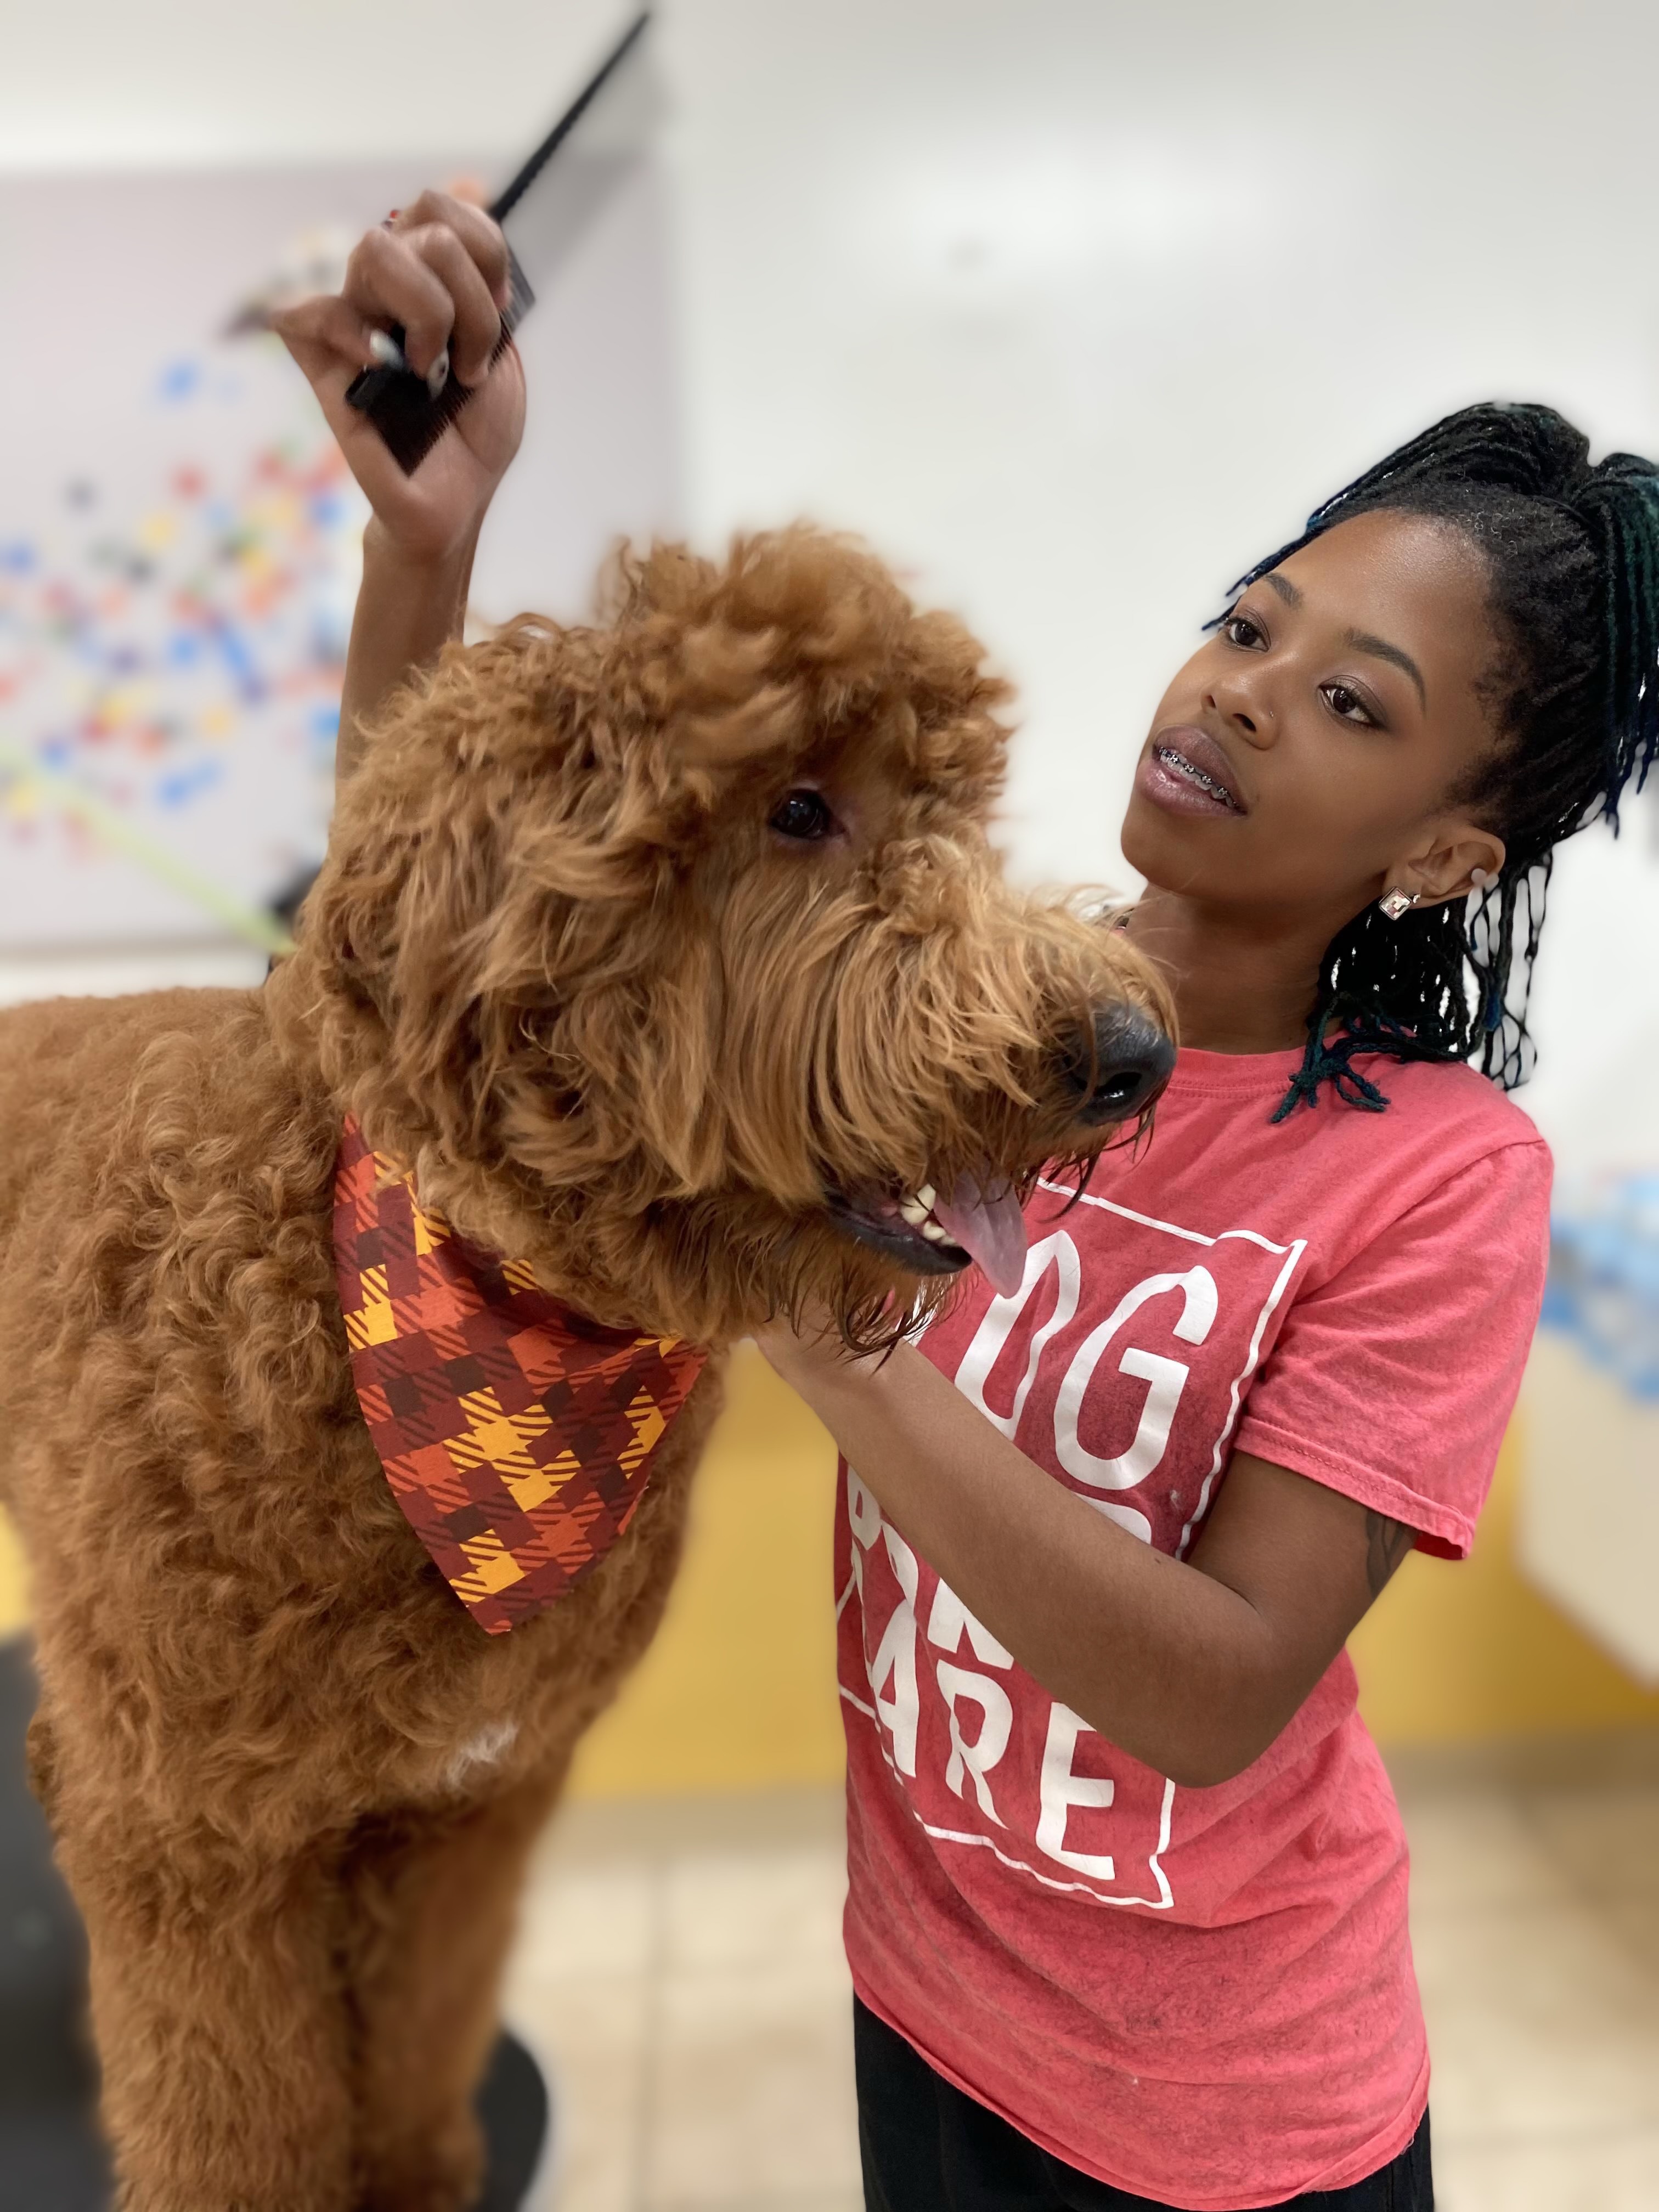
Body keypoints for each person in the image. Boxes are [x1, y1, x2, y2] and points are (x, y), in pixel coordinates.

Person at [284, 201, 1659, 2212]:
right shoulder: (960, 1008)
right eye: (1253, 621)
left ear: (1450, 852)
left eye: (1359, 704)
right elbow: (436, 969)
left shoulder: (1442, 1178)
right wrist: (427, 546)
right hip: (922, 2000)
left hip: (1234, 2118)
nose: (1250, 691)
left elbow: (1216, 1693)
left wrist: (815, 1316)